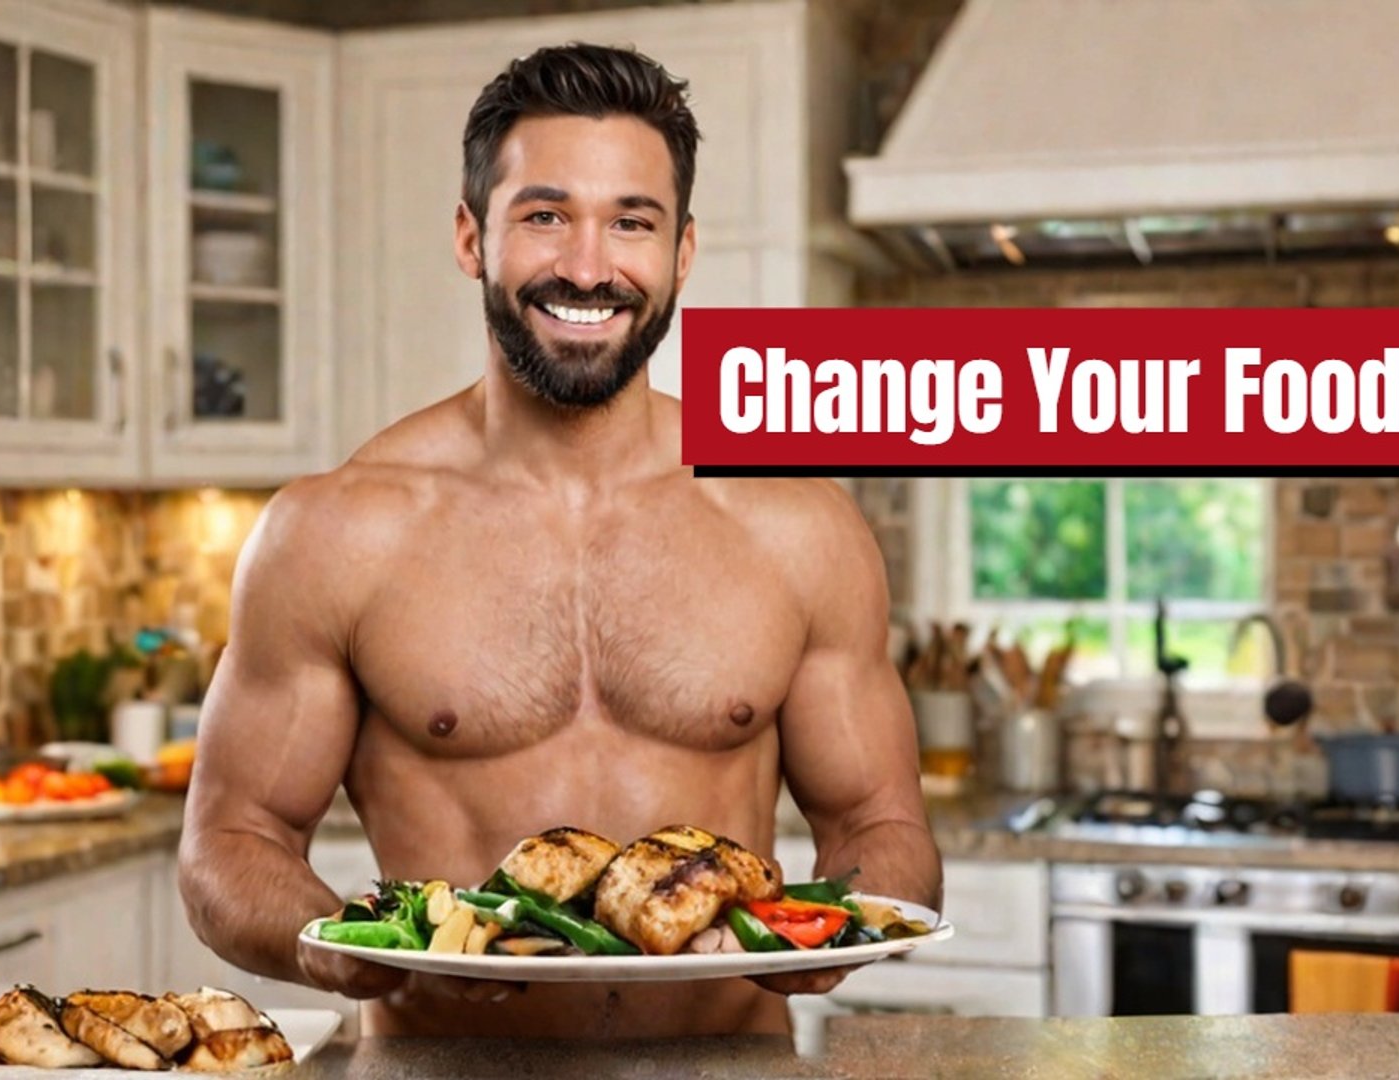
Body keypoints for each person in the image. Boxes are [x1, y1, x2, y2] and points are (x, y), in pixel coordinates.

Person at [177, 41, 940, 1040]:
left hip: (722, 1071)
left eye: (632, 222)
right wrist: (344, 946)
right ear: (470, 237)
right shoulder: (336, 531)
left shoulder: (796, 526)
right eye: (545, 217)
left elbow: (883, 829)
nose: (588, 266)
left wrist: (819, 935)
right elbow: (228, 847)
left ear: (682, 252)